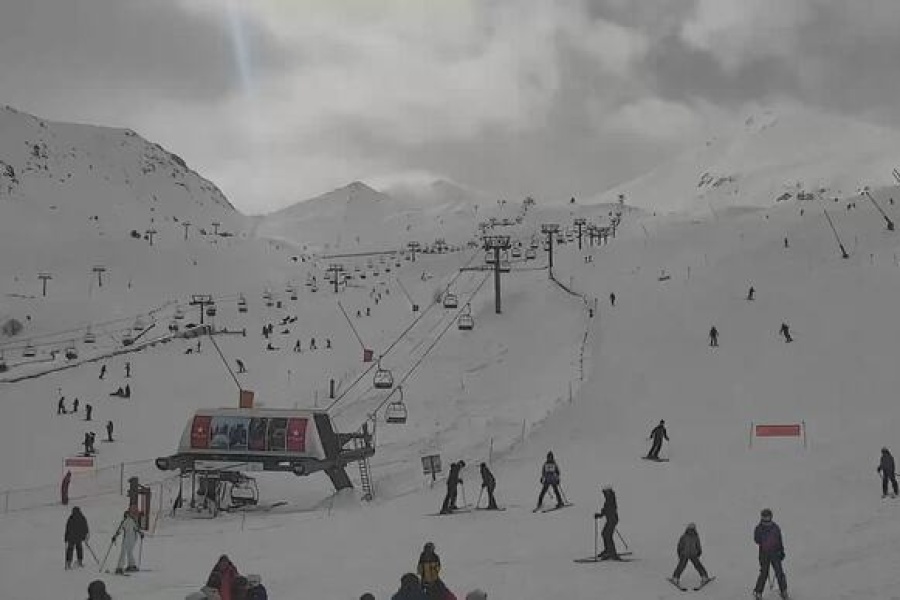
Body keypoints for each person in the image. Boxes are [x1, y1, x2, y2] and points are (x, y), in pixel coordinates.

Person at [753, 508, 787, 600]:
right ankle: (758, 592)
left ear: (771, 517)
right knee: (764, 572)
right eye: (764, 518)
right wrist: (760, 536)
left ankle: (784, 591)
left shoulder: (775, 528)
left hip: (775, 553)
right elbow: (756, 540)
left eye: (767, 518)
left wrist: (781, 551)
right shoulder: (759, 528)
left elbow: (779, 540)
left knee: (779, 572)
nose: (766, 520)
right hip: (764, 554)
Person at [671, 523, 710, 588]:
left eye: (692, 529)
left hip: (691, 554)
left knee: (696, 565)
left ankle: (704, 577)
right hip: (687, 554)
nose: (691, 531)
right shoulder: (685, 536)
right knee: (682, 566)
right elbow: (680, 545)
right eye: (690, 529)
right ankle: (675, 578)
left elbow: (697, 545)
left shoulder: (693, 536)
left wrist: (699, 551)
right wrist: (680, 553)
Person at [112, 507, 143, 574]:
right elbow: (137, 528)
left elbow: (120, 529)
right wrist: (141, 534)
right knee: (129, 551)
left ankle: (120, 567)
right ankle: (131, 565)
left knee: (123, 552)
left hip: (127, 539)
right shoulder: (132, 520)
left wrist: (115, 536)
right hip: (133, 539)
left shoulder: (126, 521)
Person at [594, 485, 619, 559]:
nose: (604, 494)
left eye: (605, 493)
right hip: (610, 520)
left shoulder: (611, 499)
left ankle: (612, 553)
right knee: (604, 534)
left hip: (612, 520)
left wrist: (603, 513)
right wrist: (600, 515)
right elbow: (606, 509)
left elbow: (611, 509)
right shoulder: (609, 499)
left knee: (607, 535)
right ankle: (608, 550)